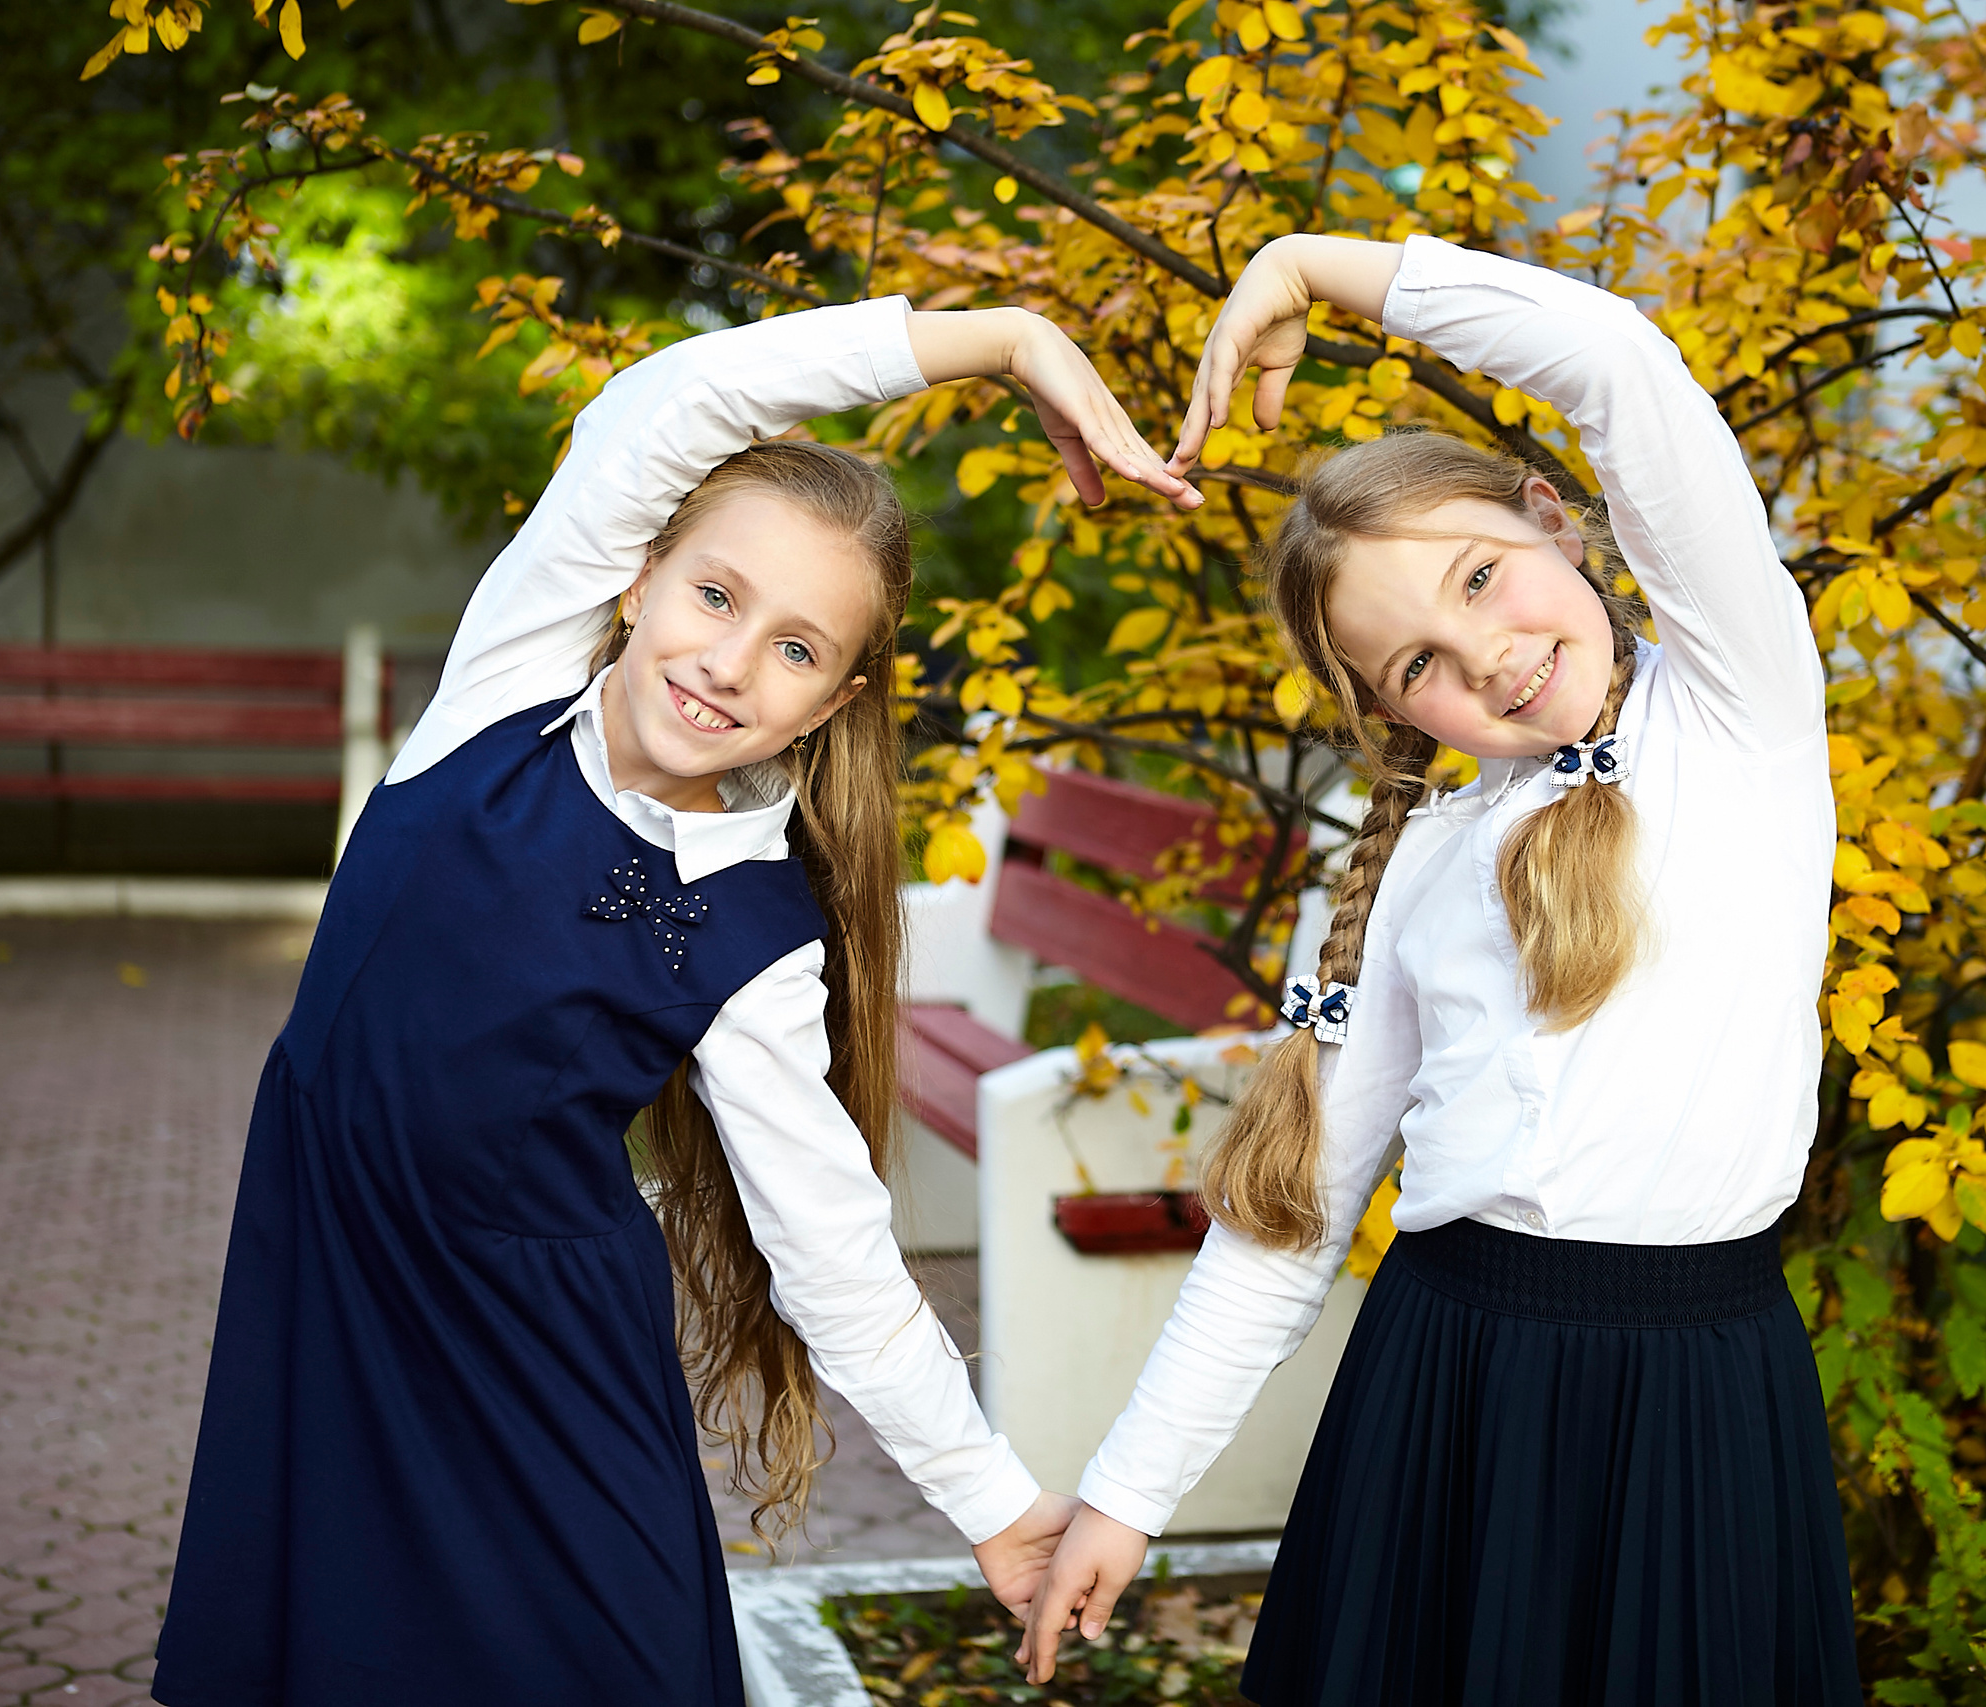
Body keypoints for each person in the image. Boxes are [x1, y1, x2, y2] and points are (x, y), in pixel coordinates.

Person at [151, 296, 1200, 1707]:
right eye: (717, 596)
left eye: (796, 648)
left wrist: (998, 1507)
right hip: (342, 1279)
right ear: (638, 580)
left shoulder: (757, 937)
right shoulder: (504, 692)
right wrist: (1002, 340)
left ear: (831, 702)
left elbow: (837, 1257)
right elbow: (670, 402)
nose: (728, 662)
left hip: (539, 1358)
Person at [1018, 232, 1860, 1705]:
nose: (1486, 655)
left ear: (1558, 521)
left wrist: (1307, 269)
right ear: (1387, 708)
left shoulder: (1741, 710)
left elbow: (1620, 367)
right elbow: (1286, 1221)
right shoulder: (1412, 862)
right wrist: (1127, 1493)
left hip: (1700, 1396)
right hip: (1447, 1391)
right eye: (1417, 665)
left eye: (1483, 577)